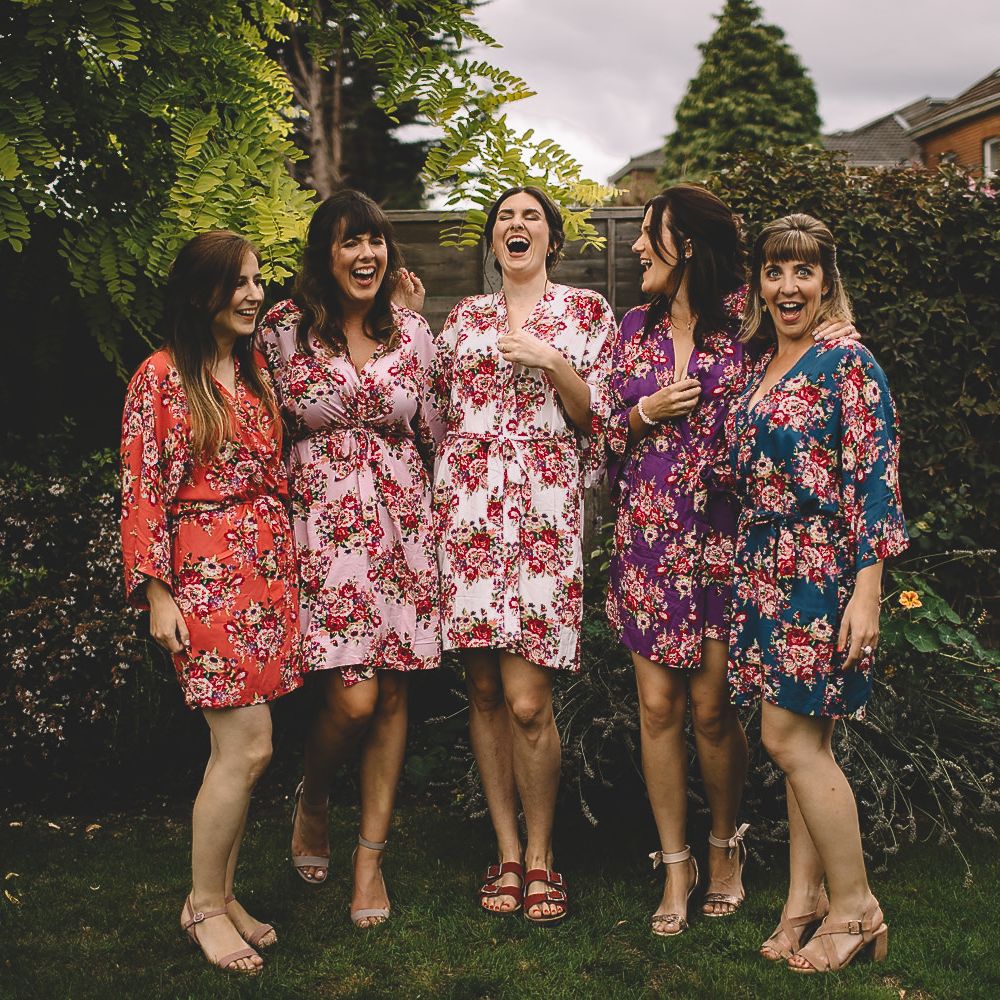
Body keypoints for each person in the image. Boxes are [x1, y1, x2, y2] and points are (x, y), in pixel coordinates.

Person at [605, 186, 861, 937]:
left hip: (726, 543)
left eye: (648, 233)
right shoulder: (632, 330)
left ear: (684, 244)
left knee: (714, 711)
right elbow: (601, 438)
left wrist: (835, 328)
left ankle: (725, 848)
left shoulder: (747, 327)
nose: (637, 246)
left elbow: (805, 356)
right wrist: (644, 413)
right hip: (649, 540)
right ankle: (674, 865)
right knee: (658, 709)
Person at [255, 190, 443, 928]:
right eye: (349, 242)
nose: (367, 255)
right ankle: (314, 792)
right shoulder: (282, 329)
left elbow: (437, 431)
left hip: (401, 529)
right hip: (323, 534)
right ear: (324, 254)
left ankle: (370, 859)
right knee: (354, 696)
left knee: (392, 696)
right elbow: (256, 430)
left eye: (376, 241)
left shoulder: (414, 332)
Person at [431, 186, 617, 925]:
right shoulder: (463, 318)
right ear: (493, 240)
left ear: (552, 240)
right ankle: (507, 852)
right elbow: (437, 414)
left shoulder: (585, 313)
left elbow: (597, 415)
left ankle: (543, 855)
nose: (516, 225)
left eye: (530, 216)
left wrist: (552, 361)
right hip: (468, 514)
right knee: (483, 692)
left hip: (541, 512)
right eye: (505, 217)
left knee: (528, 701)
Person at [727, 214, 907, 973]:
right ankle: (804, 902)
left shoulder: (847, 361)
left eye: (803, 271)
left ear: (827, 280)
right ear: (759, 284)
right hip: (765, 568)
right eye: (774, 271)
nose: (788, 286)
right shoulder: (762, 361)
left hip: (819, 572)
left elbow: (875, 479)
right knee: (809, 741)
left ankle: (856, 908)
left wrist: (867, 593)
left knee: (787, 740)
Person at [121, 231, 301, 974]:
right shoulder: (161, 376)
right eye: (239, 282)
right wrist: (157, 593)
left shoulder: (253, 372)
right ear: (201, 293)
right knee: (246, 747)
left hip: (265, 576)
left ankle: (222, 895)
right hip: (205, 579)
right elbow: (141, 491)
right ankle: (202, 907)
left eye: (258, 280)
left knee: (249, 754)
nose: (254, 294)